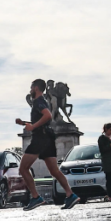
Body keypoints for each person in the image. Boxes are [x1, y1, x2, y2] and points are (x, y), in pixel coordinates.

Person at [16, 79, 79, 210]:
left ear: (36, 88)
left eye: (31, 87)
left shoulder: (39, 102)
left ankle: (35, 197)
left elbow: (48, 116)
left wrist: (33, 127)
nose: (30, 90)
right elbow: (42, 120)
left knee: (23, 168)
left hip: (40, 138)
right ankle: (70, 195)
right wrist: (24, 123)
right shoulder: (41, 102)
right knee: (54, 170)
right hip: (48, 138)